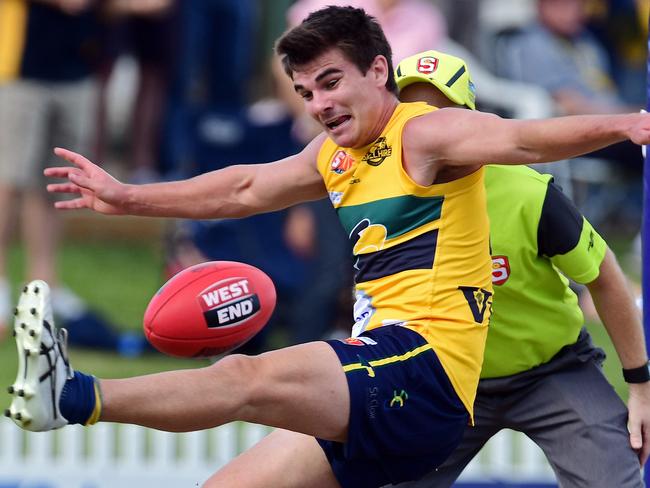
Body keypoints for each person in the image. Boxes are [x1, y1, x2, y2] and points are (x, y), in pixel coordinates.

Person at [6, 7, 650, 488]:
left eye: (331, 83)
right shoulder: (340, 156)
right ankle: (70, 396)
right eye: (307, 91)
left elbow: (524, 142)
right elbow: (244, 186)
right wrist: (128, 198)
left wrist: (624, 123)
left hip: (428, 369)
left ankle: (72, 395)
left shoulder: (426, 138)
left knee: (244, 376)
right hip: (390, 367)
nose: (317, 104)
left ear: (380, 74)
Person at [389, 49, 648, 487]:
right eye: (411, 113)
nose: (425, 126)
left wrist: (641, 385)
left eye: (439, 112)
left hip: (552, 369)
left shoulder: (528, 192)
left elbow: (604, 274)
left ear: (470, 118)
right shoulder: (380, 199)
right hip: (445, 379)